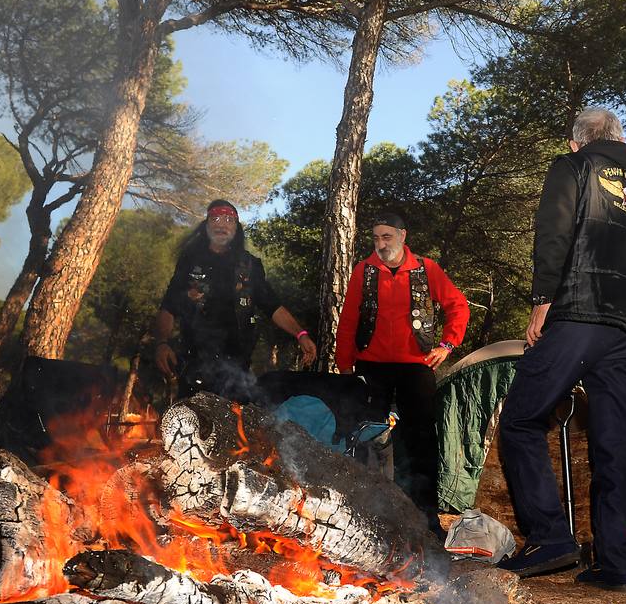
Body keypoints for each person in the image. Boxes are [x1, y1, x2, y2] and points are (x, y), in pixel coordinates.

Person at [496, 108, 626, 592]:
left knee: (519, 420)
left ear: (579, 143)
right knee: (617, 444)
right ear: (618, 140)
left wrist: (542, 303)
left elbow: (554, 234)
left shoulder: (574, 167)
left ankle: (552, 538)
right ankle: (616, 563)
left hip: (579, 311)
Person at [335, 212, 470, 527]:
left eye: (387, 237)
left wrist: (447, 345)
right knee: (365, 436)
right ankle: (365, 512)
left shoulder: (426, 269)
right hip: (371, 366)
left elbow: (458, 306)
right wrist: (345, 367)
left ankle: (424, 514)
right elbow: (348, 321)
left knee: (420, 439)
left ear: (402, 236)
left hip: (415, 366)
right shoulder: (363, 271)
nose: (381, 244)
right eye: (376, 238)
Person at [152, 200, 317, 399]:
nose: (222, 225)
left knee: (236, 423)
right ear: (206, 226)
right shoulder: (190, 261)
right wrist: (161, 343)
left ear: (237, 228)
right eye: (216, 219)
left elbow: (272, 306)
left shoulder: (249, 265)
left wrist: (301, 334)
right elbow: (169, 306)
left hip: (238, 369)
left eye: (229, 220)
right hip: (194, 364)